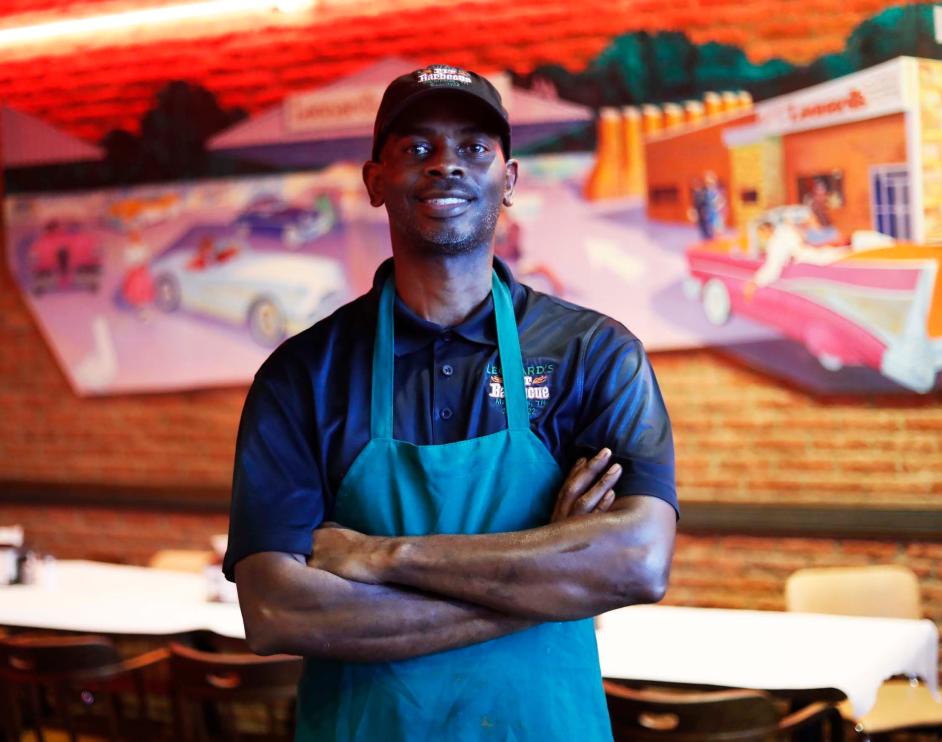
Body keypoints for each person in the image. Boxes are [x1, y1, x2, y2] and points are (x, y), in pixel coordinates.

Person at [225, 64, 678, 741]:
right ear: (375, 181)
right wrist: (553, 573)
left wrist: (383, 558)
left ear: (510, 180)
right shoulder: (301, 377)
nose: (446, 166)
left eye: (473, 148)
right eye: (416, 148)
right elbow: (277, 613)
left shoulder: (595, 355)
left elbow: (637, 562)